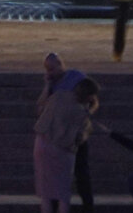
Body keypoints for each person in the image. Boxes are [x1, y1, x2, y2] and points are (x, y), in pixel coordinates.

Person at [33, 77, 99, 213]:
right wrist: (91, 110)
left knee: (46, 193)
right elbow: (80, 136)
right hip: (63, 150)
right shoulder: (80, 112)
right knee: (62, 193)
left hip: (42, 143)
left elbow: (41, 108)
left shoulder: (59, 96)